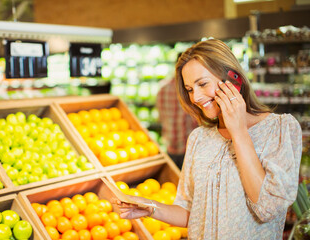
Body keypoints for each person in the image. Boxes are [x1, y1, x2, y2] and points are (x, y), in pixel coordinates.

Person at [113, 39, 302, 239]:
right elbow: (193, 214)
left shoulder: (281, 130)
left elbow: (268, 208)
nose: (195, 98)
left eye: (202, 84)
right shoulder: (198, 138)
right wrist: (151, 208)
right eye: (189, 89)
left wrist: (238, 131)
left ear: (234, 79)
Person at [156, 53, 198, 169]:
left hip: (169, 145)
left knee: (173, 183)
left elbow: (160, 117)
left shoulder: (162, 89)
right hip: (189, 147)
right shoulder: (191, 90)